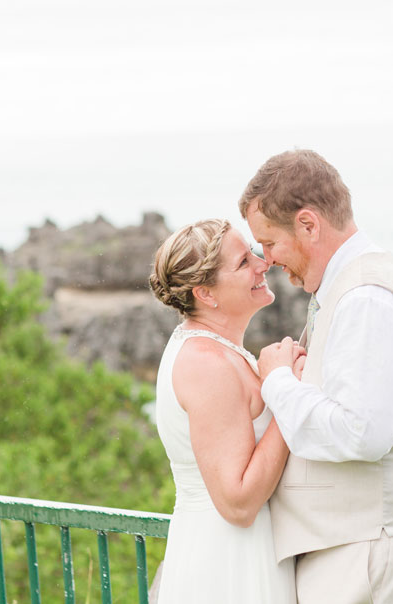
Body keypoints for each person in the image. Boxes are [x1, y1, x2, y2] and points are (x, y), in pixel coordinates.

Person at [241, 149, 393, 604]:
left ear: (308, 224)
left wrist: (278, 381)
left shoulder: (368, 299)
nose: (269, 260)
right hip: (357, 546)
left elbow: (362, 434)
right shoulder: (348, 288)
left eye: (270, 243)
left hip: (375, 552)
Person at [149, 218, 303, 604]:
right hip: (228, 564)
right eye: (242, 262)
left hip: (241, 550)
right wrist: (289, 394)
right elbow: (237, 502)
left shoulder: (216, 348)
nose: (261, 263)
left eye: (253, 250)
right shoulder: (206, 364)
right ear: (206, 294)